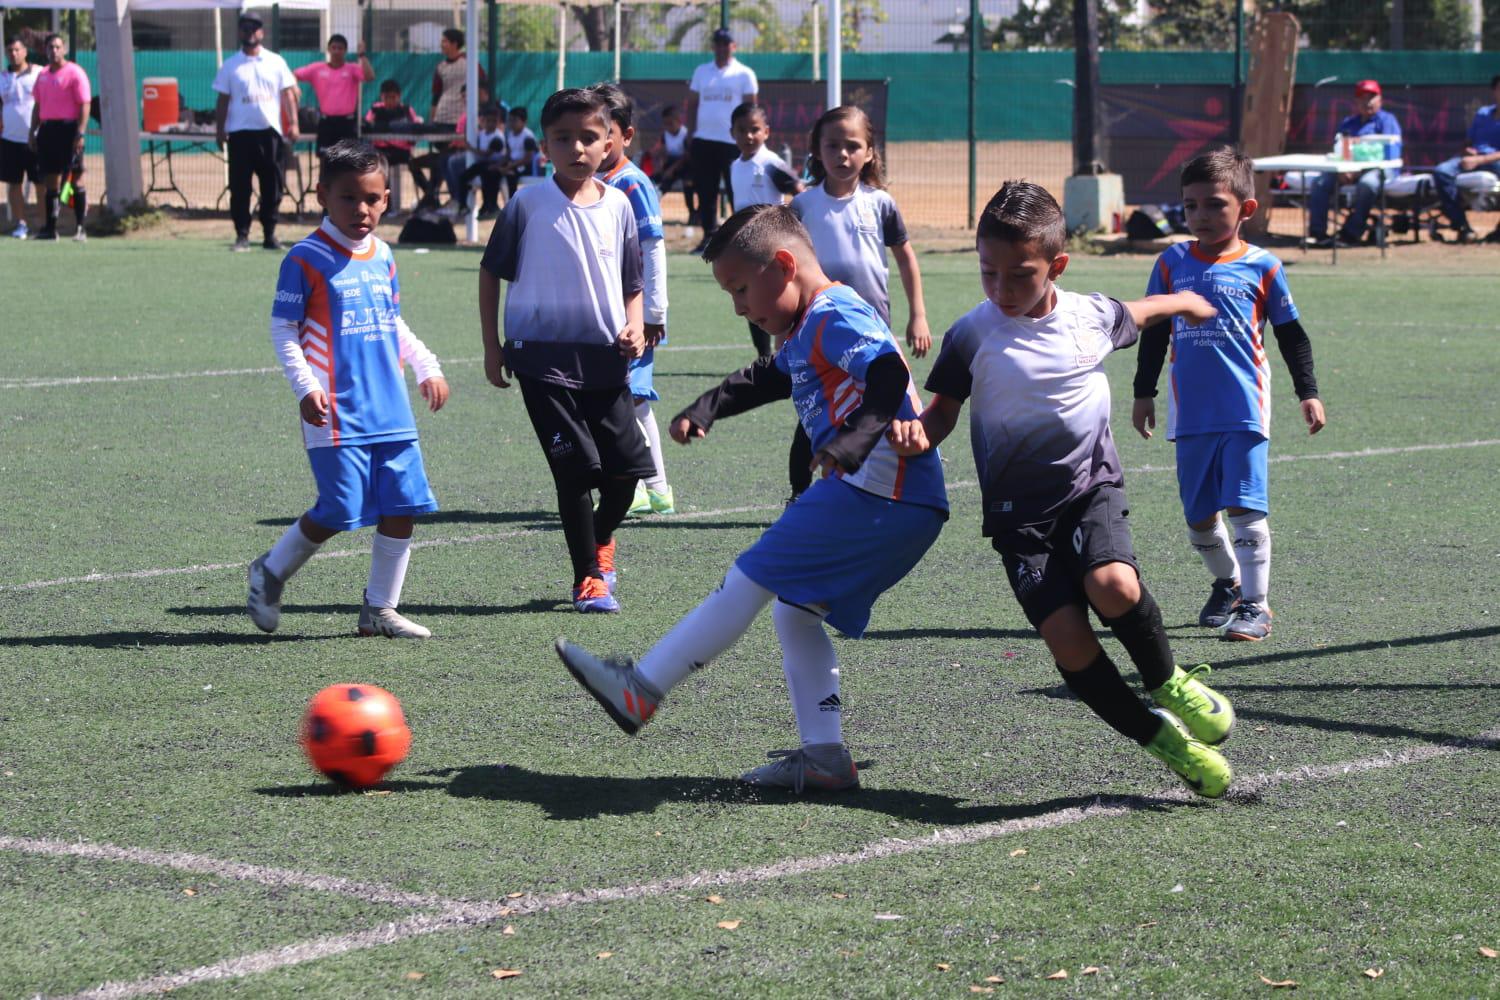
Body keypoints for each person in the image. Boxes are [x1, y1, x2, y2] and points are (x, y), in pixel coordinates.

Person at [555, 204, 949, 792]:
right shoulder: (809, 324)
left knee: (749, 577)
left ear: (784, 265)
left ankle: (641, 688)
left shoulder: (837, 311)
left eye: (741, 289)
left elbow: (889, 374)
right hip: (894, 503)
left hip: (875, 491)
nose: (740, 307)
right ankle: (824, 760)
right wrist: (707, 405)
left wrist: (853, 441)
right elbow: (771, 376)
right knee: (794, 612)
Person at [887, 182, 1235, 799]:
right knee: (1070, 645)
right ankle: (1164, 740)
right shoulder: (972, 333)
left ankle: (1168, 679)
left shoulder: (1088, 316)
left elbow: (1138, 312)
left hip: (1087, 489)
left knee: (1114, 586)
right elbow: (942, 410)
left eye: (1019, 275)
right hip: (1018, 519)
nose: (1001, 289)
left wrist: (1181, 299)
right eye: (988, 272)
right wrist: (920, 434)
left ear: (1058, 266)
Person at [247, 140, 450, 639]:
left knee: (403, 506)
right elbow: (283, 328)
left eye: (374, 198)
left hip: (391, 407)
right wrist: (304, 385)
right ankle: (270, 571)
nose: (362, 209)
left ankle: (380, 609)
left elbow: (391, 320)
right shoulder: (306, 257)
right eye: (349, 198)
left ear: (386, 198)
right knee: (340, 507)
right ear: (322, 195)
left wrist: (426, 364)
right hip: (336, 409)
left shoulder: (382, 254)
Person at [1132, 148, 1326, 642]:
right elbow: (1154, 329)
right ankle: (1228, 585)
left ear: (1246, 208)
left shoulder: (1263, 266)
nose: (1200, 215)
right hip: (1190, 410)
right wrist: (1143, 392)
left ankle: (1257, 605)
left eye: (1214, 204)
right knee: (1199, 518)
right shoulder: (1172, 261)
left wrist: (1308, 391)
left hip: (1243, 407)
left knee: (1243, 505)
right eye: (1190, 205)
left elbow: (1291, 334)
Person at [477, 88, 648, 614]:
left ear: (611, 142)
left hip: (605, 360)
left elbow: (632, 282)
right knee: (576, 471)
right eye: (563, 138)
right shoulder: (526, 203)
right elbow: (490, 273)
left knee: (624, 475)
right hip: (539, 359)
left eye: (589, 138)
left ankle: (599, 537)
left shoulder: (619, 204)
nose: (577, 148)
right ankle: (588, 578)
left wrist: (636, 328)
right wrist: (492, 347)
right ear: (544, 146)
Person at [787, 104, 930, 502]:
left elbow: (905, 257)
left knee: (888, 406)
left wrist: (918, 314)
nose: (843, 155)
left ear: (869, 152)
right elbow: (790, 267)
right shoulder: (803, 206)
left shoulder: (881, 203)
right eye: (833, 146)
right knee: (815, 417)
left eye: (853, 146)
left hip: (872, 332)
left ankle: (893, 488)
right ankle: (800, 495)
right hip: (821, 333)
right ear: (817, 150)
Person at [591, 84, 677, 516]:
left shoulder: (631, 182)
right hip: (606, 310)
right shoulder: (594, 183)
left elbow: (654, 247)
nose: (596, 142)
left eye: (604, 132)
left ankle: (636, 483)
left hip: (634, 312)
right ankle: (657, 487)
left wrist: (654, 313)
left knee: (628, 397)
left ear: (625, 135)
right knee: (629, 398)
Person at [214, 13, 299, 251]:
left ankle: (269, 235)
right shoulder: (230, 66)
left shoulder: (275, 62)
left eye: (255, 28)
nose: (250, 32)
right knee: (240, 187)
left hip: (269, 134)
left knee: (272, 187)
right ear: (239, 32)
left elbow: (288, 94)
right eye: (245, 28)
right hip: (240, 135)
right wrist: (220, 130)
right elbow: (222, 99)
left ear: (262, 32)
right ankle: (242, 236)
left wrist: (294, 123)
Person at [729, 102, 802, 359]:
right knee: (749, 300)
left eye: (754, 129)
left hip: (773, 247)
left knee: (783, 300)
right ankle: (764, 356)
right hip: (745, 247)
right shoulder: (735, 166)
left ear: (766, 132)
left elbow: (800, 192)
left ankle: (794, 351)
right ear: (732, 134)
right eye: (742, 130)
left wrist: (787, 227)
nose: (748, 136)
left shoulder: (772, 163)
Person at [1306, 79, 1402, 248]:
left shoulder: (1387, 121)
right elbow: (1340, 149)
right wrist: (1343, 169)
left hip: (1379, 169)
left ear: (1380, 99)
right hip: (1348, 168)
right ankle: (1317, 234)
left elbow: (1388, 154)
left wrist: (1357, 171)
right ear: (1356, 102)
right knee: (1320, 183)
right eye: (1363, 98)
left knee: (1368, 184)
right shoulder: (1349, 123)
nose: (1368, 102)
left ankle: (1351, 233)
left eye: (1372, 97)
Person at [686, 27, 758, 251]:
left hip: (732, 144)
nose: (722, 47)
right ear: (713, 46)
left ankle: (738, 238)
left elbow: (751, 109)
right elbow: (693, 104)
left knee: (736, 189)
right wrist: (690, 133)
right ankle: (709, 236)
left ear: (734, 46)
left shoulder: (744, 73)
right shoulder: (701, 72)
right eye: (718, 43)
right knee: (706, 191)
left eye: (726, 43)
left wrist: (747, 136)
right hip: (704, 141)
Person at [27, 33, 88, 242]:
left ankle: (80, 228)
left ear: (64, 49)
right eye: (50, 47)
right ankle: (50, 229)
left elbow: (84, 103)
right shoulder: (42, 75)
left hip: (69, 130)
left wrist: (80, 132)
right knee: (50, 179)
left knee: (76, 177)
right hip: (48, 131)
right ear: (45, 50)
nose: (54, 51)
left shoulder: (75, 73)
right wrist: (32, 131)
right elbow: (37, 105)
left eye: (57, 47)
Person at [1429, 74, 1500, 244]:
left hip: (1494, 161)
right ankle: (1461, 225)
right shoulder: (1483, 113)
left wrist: (1480, 161)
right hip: (1473, 158)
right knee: (1442, 171)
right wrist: (1467, 151)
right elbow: (1468, 141)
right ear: (1494, 91)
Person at [294, 34, 374, 155]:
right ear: (328, 49)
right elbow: (292, 75)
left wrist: (362, 56)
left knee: (347, 163)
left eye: (340, 48)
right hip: (326, 123)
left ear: (345, 51)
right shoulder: (317, 69)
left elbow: (370, 76)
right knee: (326, 161)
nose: (336, 51)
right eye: (334, 47)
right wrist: (294, 87)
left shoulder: (352, 69)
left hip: (347, 124)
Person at [1, 37, 41, 238]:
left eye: (17, 49)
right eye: (10, 50)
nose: (13, 54)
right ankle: (21, 224)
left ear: (25, 51)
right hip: (8, 140)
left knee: (41, 183)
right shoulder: (2, 77)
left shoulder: (38, 73)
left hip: (35, 139)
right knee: (13, 184)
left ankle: (45, 224)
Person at [364, 79, 426, 203]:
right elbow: (366, 126)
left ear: (399, 97)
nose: (390, 101)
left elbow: (416, 127)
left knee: (414, 164)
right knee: (380, 167)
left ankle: (429, 197)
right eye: (386, 97)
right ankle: (386, 203)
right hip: (381, 152)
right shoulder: (376, 110)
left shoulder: (407, 110)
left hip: (402, 151)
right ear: (382, 97)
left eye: (393, 97)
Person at [442, 102, 506, 218]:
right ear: (483, 121)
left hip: (494, 165)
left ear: (497, 122)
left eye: (493, 121)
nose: (490, 124)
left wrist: (470, 148)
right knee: (463, 177)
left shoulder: (498, 137)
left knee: (486, 178)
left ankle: (489, 207)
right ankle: (462, 205)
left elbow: (486, 154)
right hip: (482, 164)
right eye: (488, 121)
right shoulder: (481, 134)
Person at [430, 28, 486, 130]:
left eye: (444, 41)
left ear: (454, 44)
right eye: (441, 41)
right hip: (442, 117)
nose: (441, 44)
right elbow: (436, 95)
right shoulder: (440, 67)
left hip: (462, 118)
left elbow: (483, 85)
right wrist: (433, 118)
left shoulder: (470, 63)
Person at [650, 102, 693, 221]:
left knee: (688, 184)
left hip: (685, 165)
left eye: (670, 123)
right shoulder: (665, 135)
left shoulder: (685, 135)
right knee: (657, 181)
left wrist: (671, 169)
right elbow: (661, 152)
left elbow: (686, 156)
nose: (668, 126)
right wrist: (659, 165)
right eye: (665, 124)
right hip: (671, 163)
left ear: (679, 121)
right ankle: (652, 207)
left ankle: (692, 213)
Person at [497, 105, 540, 197]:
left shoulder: (528, 137)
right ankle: (490, 205)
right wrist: (498, 165)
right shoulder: (510, 135)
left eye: (514, 120)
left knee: (510, 174)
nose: (511, 123)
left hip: (525, 166)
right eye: (510, 120)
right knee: (491, 171)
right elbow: (508, 155)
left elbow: (528, 159)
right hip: (513, 164)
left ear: (524, 122)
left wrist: (510, 166)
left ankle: (513, 202)